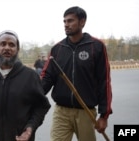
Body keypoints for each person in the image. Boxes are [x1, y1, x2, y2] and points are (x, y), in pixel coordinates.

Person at [41, 6, 112, 141]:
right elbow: (47, 78)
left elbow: (105, 82)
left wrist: (104, 115)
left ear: (82, 22)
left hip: (86, 112)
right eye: (64, 21)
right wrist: (32, 94)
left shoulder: (96, 46)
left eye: (70, 21)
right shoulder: (57, 49)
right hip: (61, 112)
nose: (66, 25)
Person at [0, 30, 51, 141]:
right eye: (3, 44)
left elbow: (42, 106)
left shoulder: (30, 76)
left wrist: (30, 128)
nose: (7, 48)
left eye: (11, 45)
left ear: (17, 50)